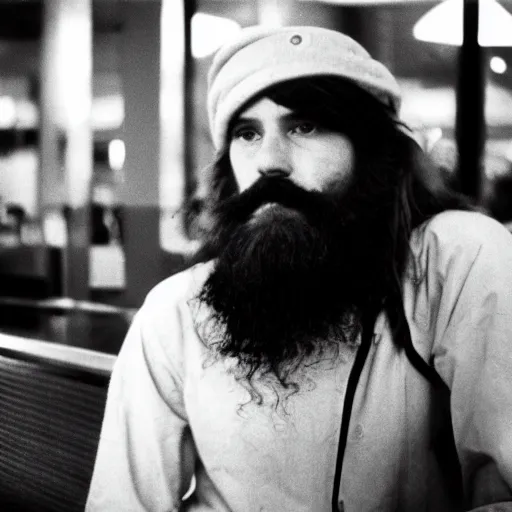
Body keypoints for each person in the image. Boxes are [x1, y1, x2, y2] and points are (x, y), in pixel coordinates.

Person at [86, 25, 512, 512]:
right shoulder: (176, 312)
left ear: (370, 148)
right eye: (248, 133)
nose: (270, 161)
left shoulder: (454, 260)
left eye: (305, 126)